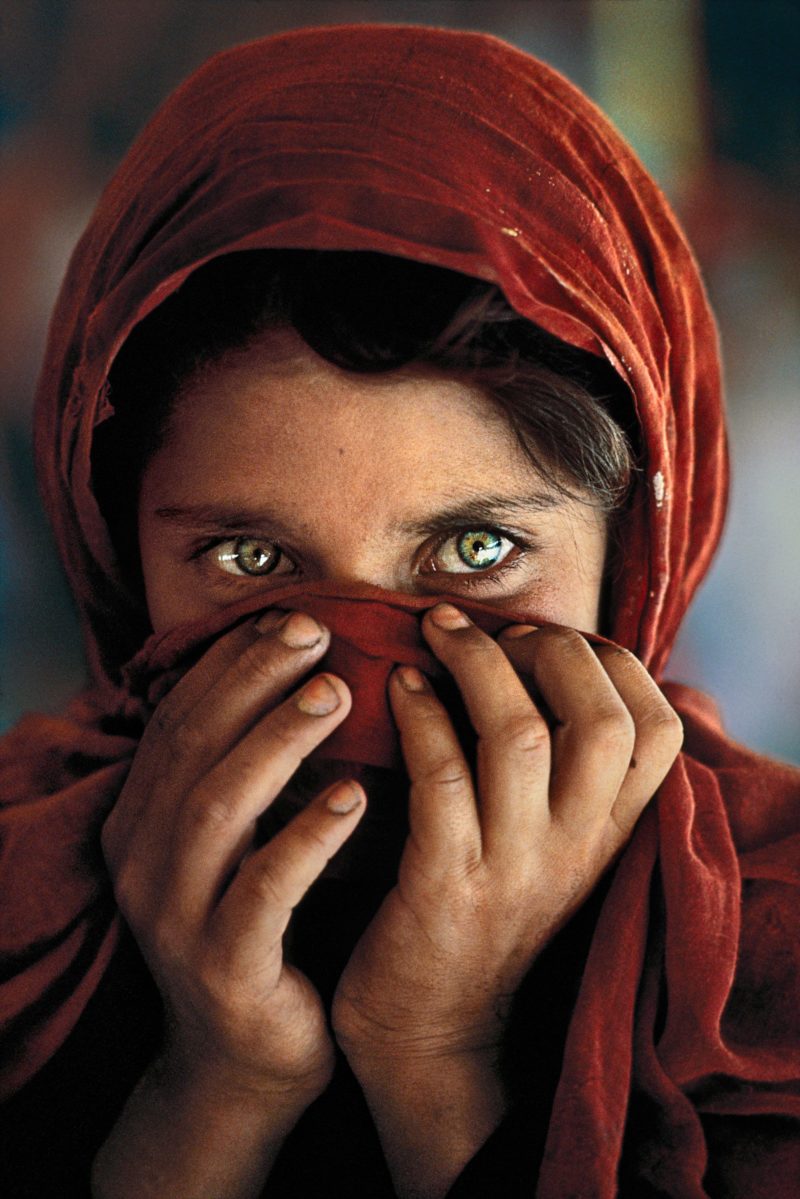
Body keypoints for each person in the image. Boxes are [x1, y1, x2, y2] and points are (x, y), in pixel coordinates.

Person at [1, 23, 798, 1199]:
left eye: (476, 551)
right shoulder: (24, 920)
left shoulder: (765, 965)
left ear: (636, 553)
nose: (362, 671)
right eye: (250, 554)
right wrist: (213, 1084)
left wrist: (436, 1055)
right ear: (114, 544)